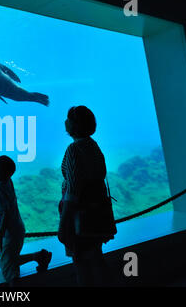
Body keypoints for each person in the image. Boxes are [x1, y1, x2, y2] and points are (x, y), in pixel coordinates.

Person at [57, 106, 116, 286]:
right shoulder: (93, 145)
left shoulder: (74, 149)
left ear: (75, 124)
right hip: (97, 213)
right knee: (96, 258)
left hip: (81, 218)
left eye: (68, 118)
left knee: (81, 263)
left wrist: (64, 222)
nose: (65, 121)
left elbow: (73, 190)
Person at [0, 142, 52, 286]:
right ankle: (40, 256)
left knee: (8, 268)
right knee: (9, 259)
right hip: (17, 227)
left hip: (11, 231)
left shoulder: (0, 189)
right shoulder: (7, 179)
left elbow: (5, 216)